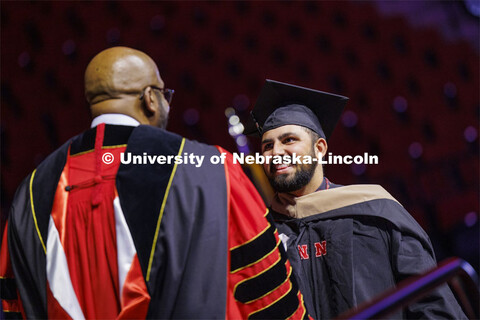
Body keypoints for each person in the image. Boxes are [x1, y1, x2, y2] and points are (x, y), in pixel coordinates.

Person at [0, 48, 310, 319]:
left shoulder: (30, 192)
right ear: (151, 99)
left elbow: (15, 303)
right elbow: (261, 289)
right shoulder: (208, 169)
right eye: (165, 96)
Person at [245, 79, 467, 319]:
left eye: (289, 140)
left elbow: (432, 304)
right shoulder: (263, 236)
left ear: (319, 148)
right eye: (267, 146)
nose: (275, 152)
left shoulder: (375, 211)